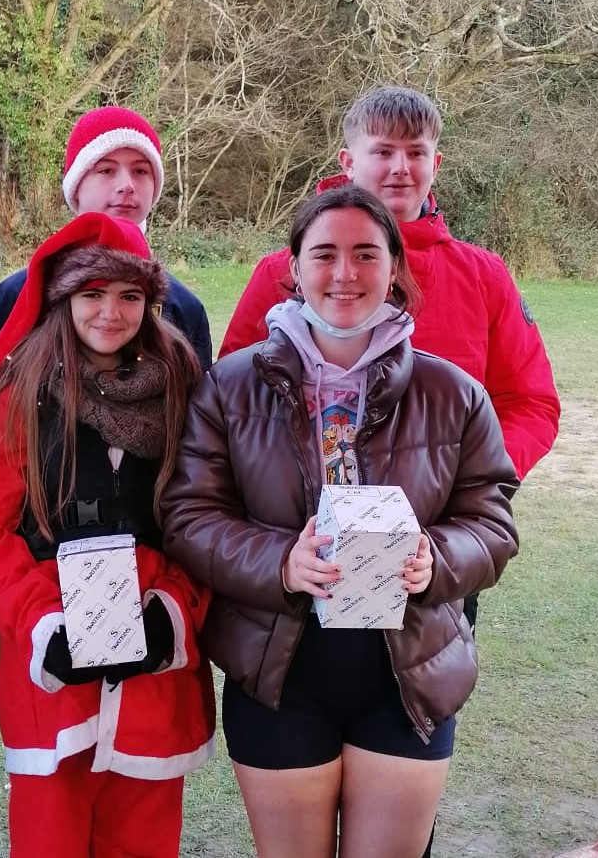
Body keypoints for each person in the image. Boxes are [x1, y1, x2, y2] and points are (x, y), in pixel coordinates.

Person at [160, 186, 520, 858]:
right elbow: (187, 516)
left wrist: (432, 557)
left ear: (393, 269)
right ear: (292, 269)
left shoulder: (453, 394)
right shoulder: (230, 386)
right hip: (277, 674)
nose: (345, 273)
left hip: (408, 673)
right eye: (324, 254)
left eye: (365, 253)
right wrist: (279, 563)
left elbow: (491, 521)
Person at [0, 212, 216, 857]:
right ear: (63, 299)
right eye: (91, 294)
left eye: (128, 296)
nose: (110, 312)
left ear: (151, 304)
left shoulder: (186, 393)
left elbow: (208, 524)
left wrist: (171, 616)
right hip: (51, 679)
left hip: (157, 676)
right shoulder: (22, 399)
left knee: (143, 840)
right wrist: (42, 626)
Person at [220, 86, 558, 486]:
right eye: (383, 152)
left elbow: (529, 402)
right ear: (348, 162)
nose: (400, 167)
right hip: (303, 525)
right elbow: (233, 401)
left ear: (436, 163)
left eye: (415, 152)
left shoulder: (484, 276)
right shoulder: (280, 272)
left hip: (440, 529)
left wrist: (472, 483)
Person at [0, 106, 213, 563]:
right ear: (75, 186)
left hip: (149, 564)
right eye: (106, 169)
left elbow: (197, 439)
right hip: (34, 558)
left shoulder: (183, 309)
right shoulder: (15, 297)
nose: (126, 184)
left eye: (141, 171)